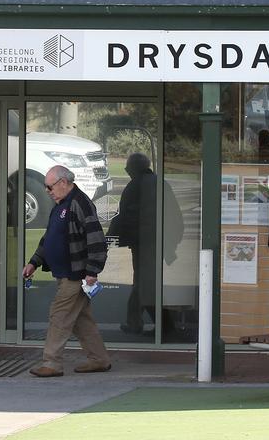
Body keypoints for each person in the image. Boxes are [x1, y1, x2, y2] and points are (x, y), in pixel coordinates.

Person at [23, 165, 111, 377]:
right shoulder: (61, 205)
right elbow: (49, 238)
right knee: (81, 320)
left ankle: (52, 363)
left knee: (59, 315)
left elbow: (96, 238)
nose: (47, 191)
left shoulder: (80, 203)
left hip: (76, 274)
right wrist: (34, 262)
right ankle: (99, 359)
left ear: (63, 182)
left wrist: (92, 270)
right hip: (65, 274)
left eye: (49, 187)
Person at [111, 152, 183, 335]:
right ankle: (141, 322)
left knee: (144, 285)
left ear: (133, 169)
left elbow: (123, 217)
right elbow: (175, 214)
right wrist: (172, 242)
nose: (127, 171)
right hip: (158, 242)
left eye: (128, 168)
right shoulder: (160, 183)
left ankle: (163, 326)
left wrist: (108, 239)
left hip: (144, 243)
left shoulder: (134, 187)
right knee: (144, 283)